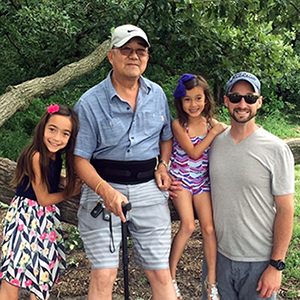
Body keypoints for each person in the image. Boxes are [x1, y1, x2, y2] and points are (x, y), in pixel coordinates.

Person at [73, 24, 177, 300]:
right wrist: (105, 191)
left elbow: (166, 137)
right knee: (104, 274)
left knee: (160, 272)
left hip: (148, 190)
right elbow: (79, 159)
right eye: (126, 50)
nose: (133, 56)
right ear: (111, 56)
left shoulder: (157, 95)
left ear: (147, 58)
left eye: (140, 51)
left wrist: (163, 165)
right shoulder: (89, 102)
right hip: (101, 190)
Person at [202, 72, 295, 300]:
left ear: (259, 102)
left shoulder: (276, 149)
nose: (242, 104)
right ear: (226, 101)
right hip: (218, 257)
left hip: (259, 263)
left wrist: (276, 265)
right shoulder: (213, 143)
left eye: (250, 98)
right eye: (235, 97)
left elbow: (286, 210)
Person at [0, 104, 82, 300]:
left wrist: (62, 181)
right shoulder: (36, 155)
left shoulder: (55, 155)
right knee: (15, 270)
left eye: (65, 133)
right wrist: (70, 192)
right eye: (52, 129)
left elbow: (49, 180)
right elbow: (44, 199)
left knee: (40, 270)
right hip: (25, 219)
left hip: (44, 221)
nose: (56, 138)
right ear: (43, 127)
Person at [168, 74, 227, 300]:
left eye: (198, 98)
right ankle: (170, 276)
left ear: (206, 99)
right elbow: (193, 153)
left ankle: (211, 281)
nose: (193, 105)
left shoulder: (211, 123)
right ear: (180, 103)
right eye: (187, 100)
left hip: (202, 182)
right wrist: (213, 133)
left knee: (210, 229)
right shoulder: (178, 125)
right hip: (181, 181)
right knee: (188, 226)